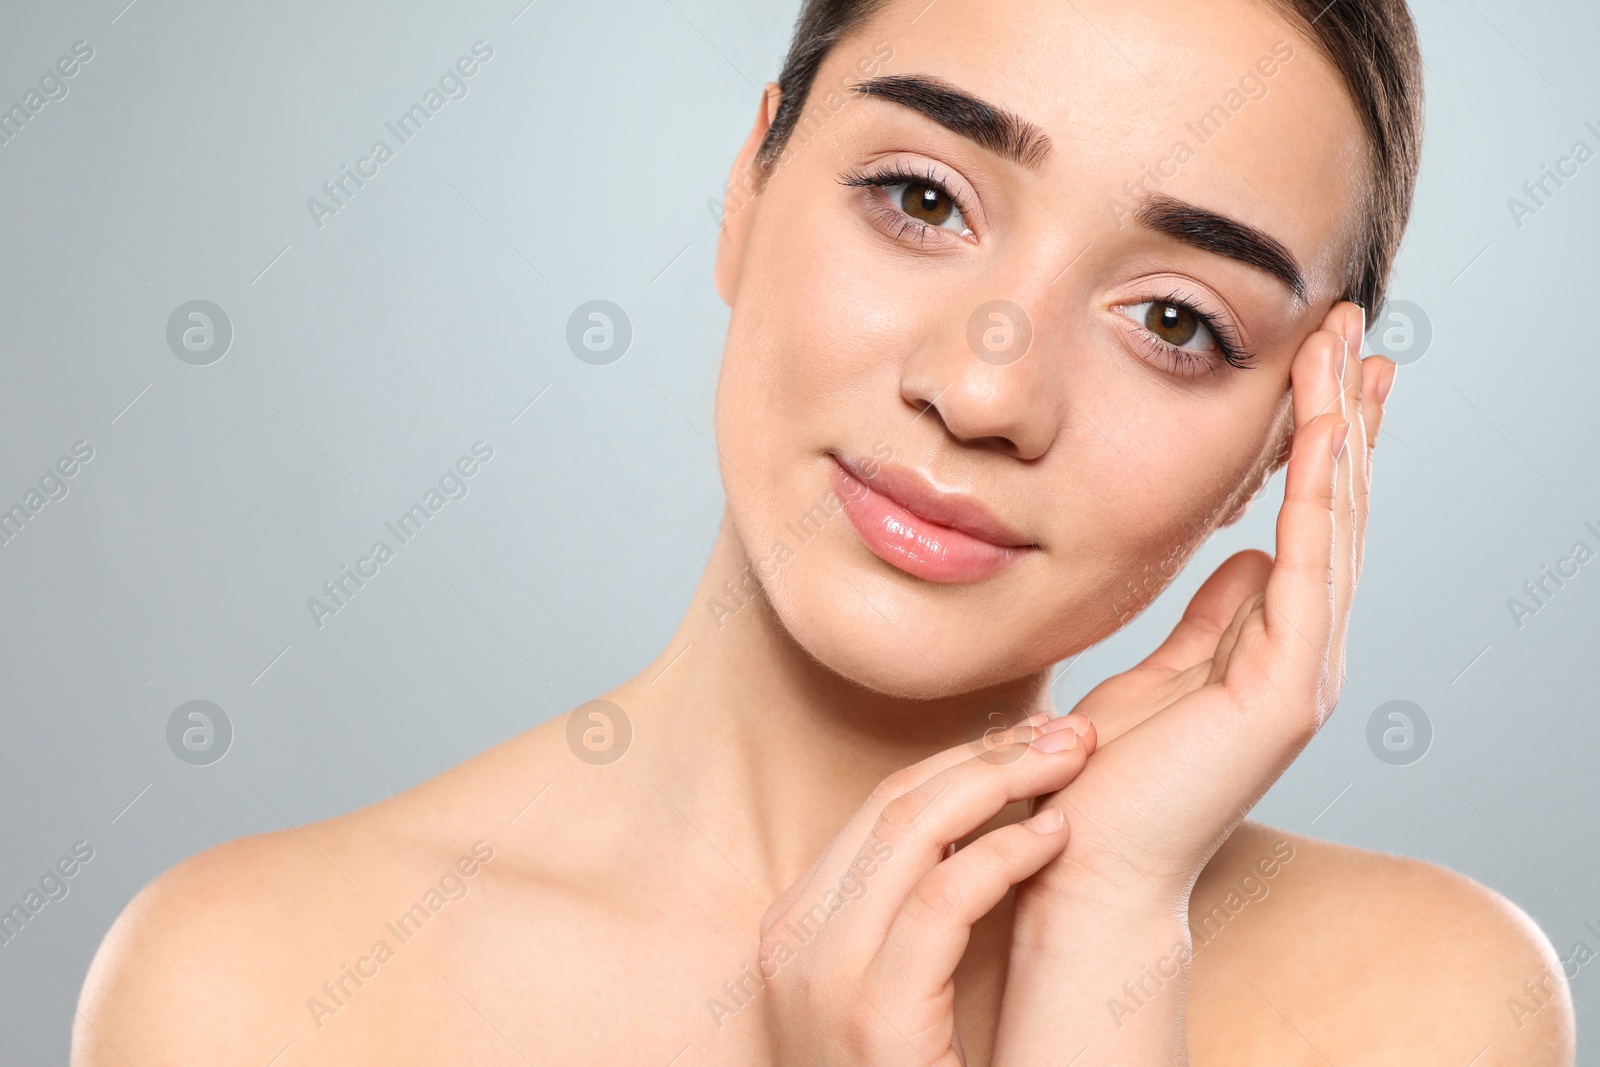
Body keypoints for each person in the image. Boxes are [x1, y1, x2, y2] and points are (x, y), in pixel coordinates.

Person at [73, 0, 1576, 1063]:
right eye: (922, 198)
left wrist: (1101, 946)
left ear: (1289, 436)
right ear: (751, 178)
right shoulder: (253, 991)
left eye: (1175, 319)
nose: (985, 386)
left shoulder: (1428, 1010)